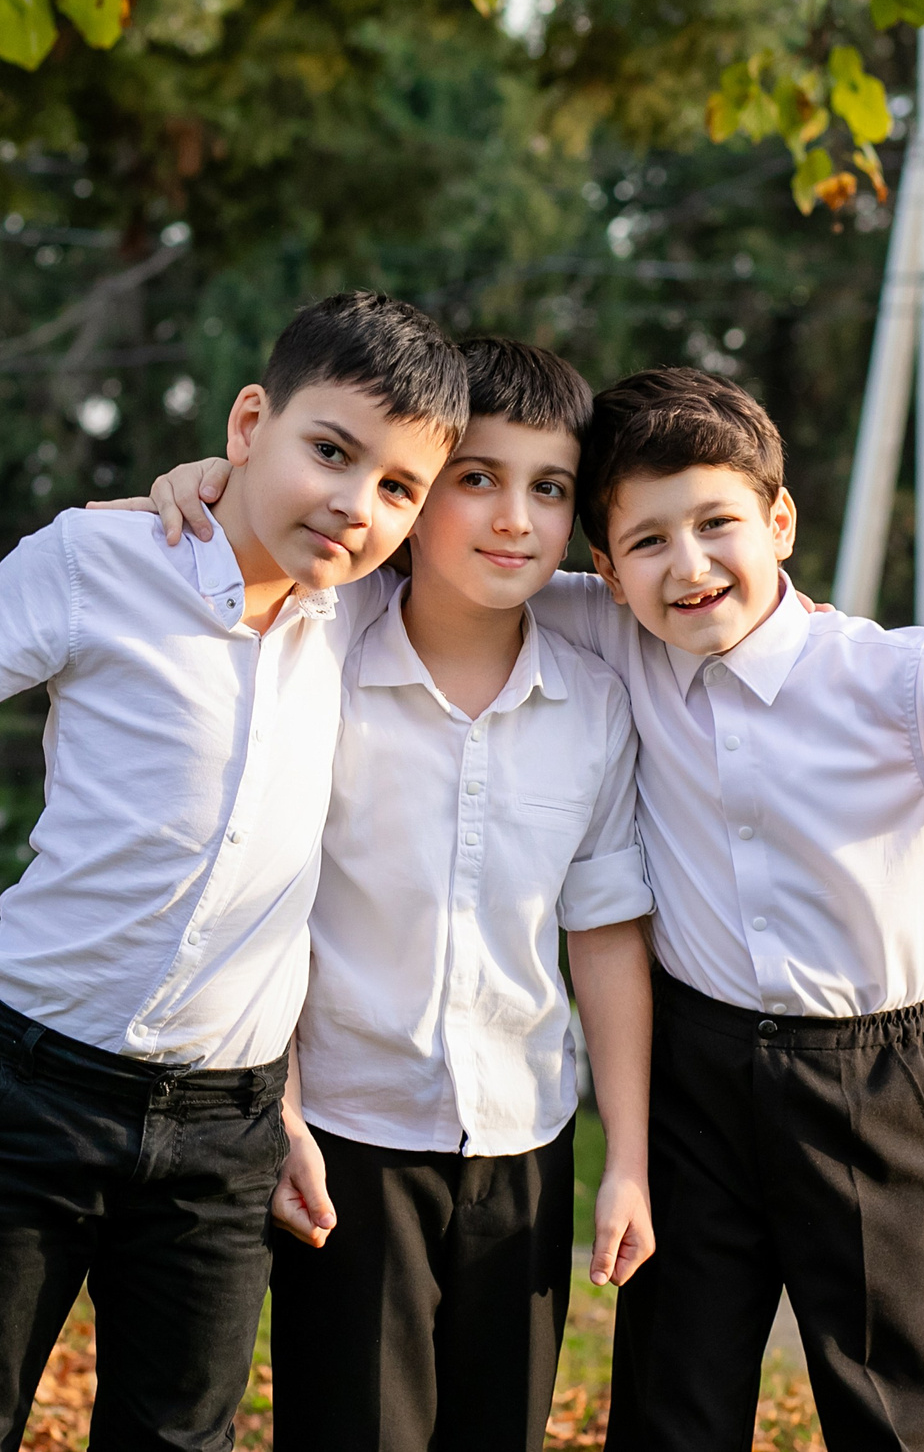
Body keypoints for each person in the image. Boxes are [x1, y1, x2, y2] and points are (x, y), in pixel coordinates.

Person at [136, 363, 924, 1452]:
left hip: (864, 1080)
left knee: (886, 1398)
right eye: (646, 543)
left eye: (718, 524)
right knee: (673, 1400)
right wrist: (220, 479)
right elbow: (427, 554)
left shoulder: (895, 682)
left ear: (778, 520)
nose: (687, 567)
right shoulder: (613, 625)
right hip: (698, 1074)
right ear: (605, 566)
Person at [0, 291, 469, 1452]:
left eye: (398, 487)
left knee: (176, 1439)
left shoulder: (363, 616)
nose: (357, 504)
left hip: (224, 1127)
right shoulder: (100, 559)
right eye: (330, 452)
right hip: (28, 1081)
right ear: (250, 421)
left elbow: (528, 587)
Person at [263, 338, 656, 1452]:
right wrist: (283, 1114)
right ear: (415, 488)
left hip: (525, 1146)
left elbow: (606, 936)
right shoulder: (318, 657)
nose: (512, 520)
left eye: (548, 489)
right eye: (475, 479)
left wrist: (623, 1158)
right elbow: (272, 903)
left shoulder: (595, 701)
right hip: (348, 1139)